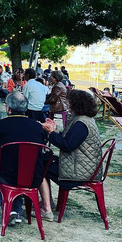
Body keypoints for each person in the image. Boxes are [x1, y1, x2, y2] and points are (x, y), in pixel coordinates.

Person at [39, 90, 103, 221]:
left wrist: (51, 133)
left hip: (78, 173)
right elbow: (68, 138)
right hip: (82, 166)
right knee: (44, 159)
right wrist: (54, 130)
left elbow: (67, 145)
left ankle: (46, 207)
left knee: (39, 164)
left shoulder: (81, 124)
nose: (66, 104)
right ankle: (48, 203)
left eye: (68, 102)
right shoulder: (84, 120)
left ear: (76, 104)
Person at [0, 91, 47, 225]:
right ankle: (15, 209)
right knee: (17, 174)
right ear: (26, 108)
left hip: (8, 174)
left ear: (8, 108)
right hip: (33, 177)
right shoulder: (38, 127)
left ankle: (10, 207)